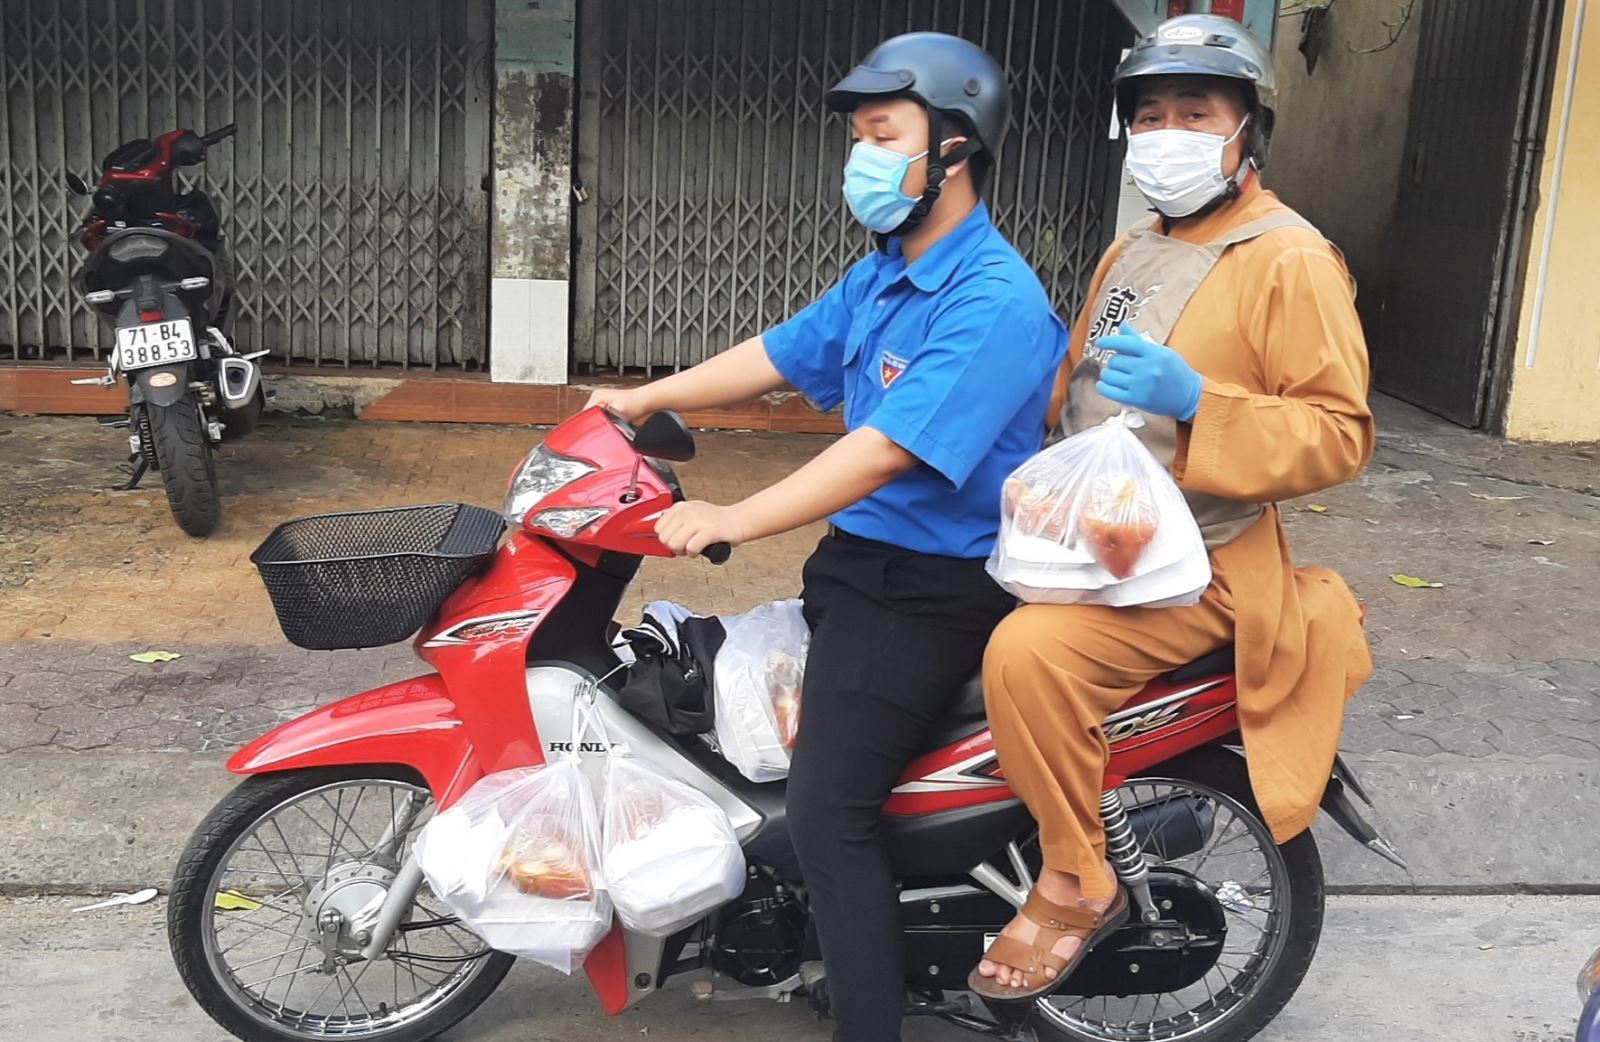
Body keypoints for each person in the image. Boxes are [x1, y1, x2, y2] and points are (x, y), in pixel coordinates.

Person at [586, 32, 1067, 1041]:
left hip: (929, 591)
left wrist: (732, 517)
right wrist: (642, 399)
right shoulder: (888, 272)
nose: (863, 156)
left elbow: (887, 451)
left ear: (954, 147)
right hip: (860, 569)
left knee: (825, 812)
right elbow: (777, 350)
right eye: (857, 137)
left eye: (882, 133)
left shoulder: (992, 301)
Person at [969, 14, 1376, 1001]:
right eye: (1148, 114)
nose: (1167, 131)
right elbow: (1073, 391)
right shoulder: (1132, 252)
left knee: (1027, 656)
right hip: (1098, 544)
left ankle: (1075, 878)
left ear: (1245, 133)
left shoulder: (1290, 258)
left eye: (1194, 110)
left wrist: (1202, 406)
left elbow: (1338, 433)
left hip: (1202, 564)